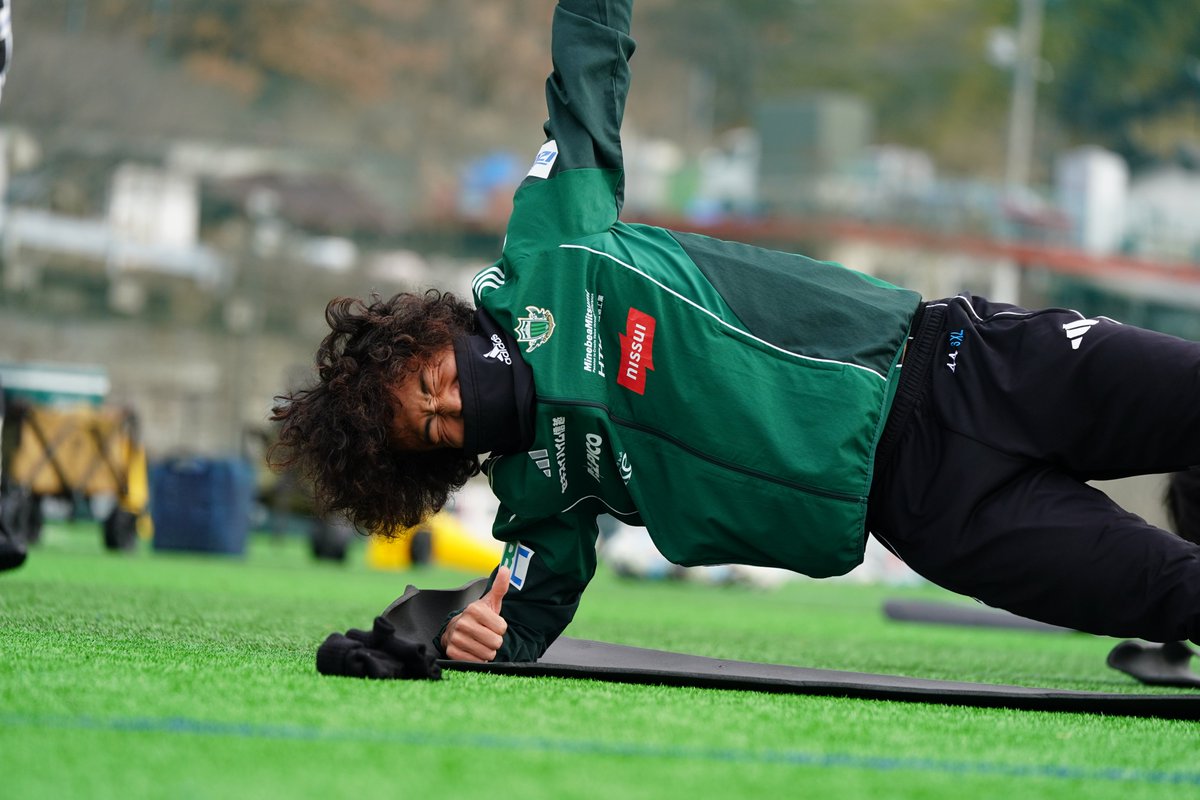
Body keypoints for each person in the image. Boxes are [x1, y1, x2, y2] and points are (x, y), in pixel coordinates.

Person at [271, 0, 1200, 663]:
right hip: (930, 511)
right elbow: (524, 611)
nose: (448, 407)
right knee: (1173, 593)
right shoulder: (535, 498)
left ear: (434, 330)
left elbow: (588, 77)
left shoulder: (550, 245)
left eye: (428, 382)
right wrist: (470, 632)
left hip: (968, 362)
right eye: (432, 431)